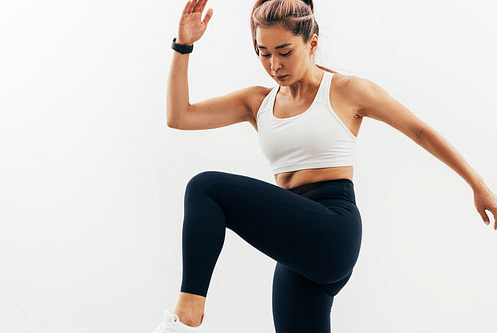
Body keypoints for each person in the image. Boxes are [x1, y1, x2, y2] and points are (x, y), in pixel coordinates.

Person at [153, 0, 497, 332]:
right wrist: (183, 46)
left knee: (206, 189)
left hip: (332, 228)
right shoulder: (256, 102)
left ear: (311, 42)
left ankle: (187, 321)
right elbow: (179, 116)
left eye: (285, 51)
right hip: (296, 240)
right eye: (264, 53)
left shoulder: (347, 90)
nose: (274, 64)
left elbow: (419, 131)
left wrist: (477, 184)